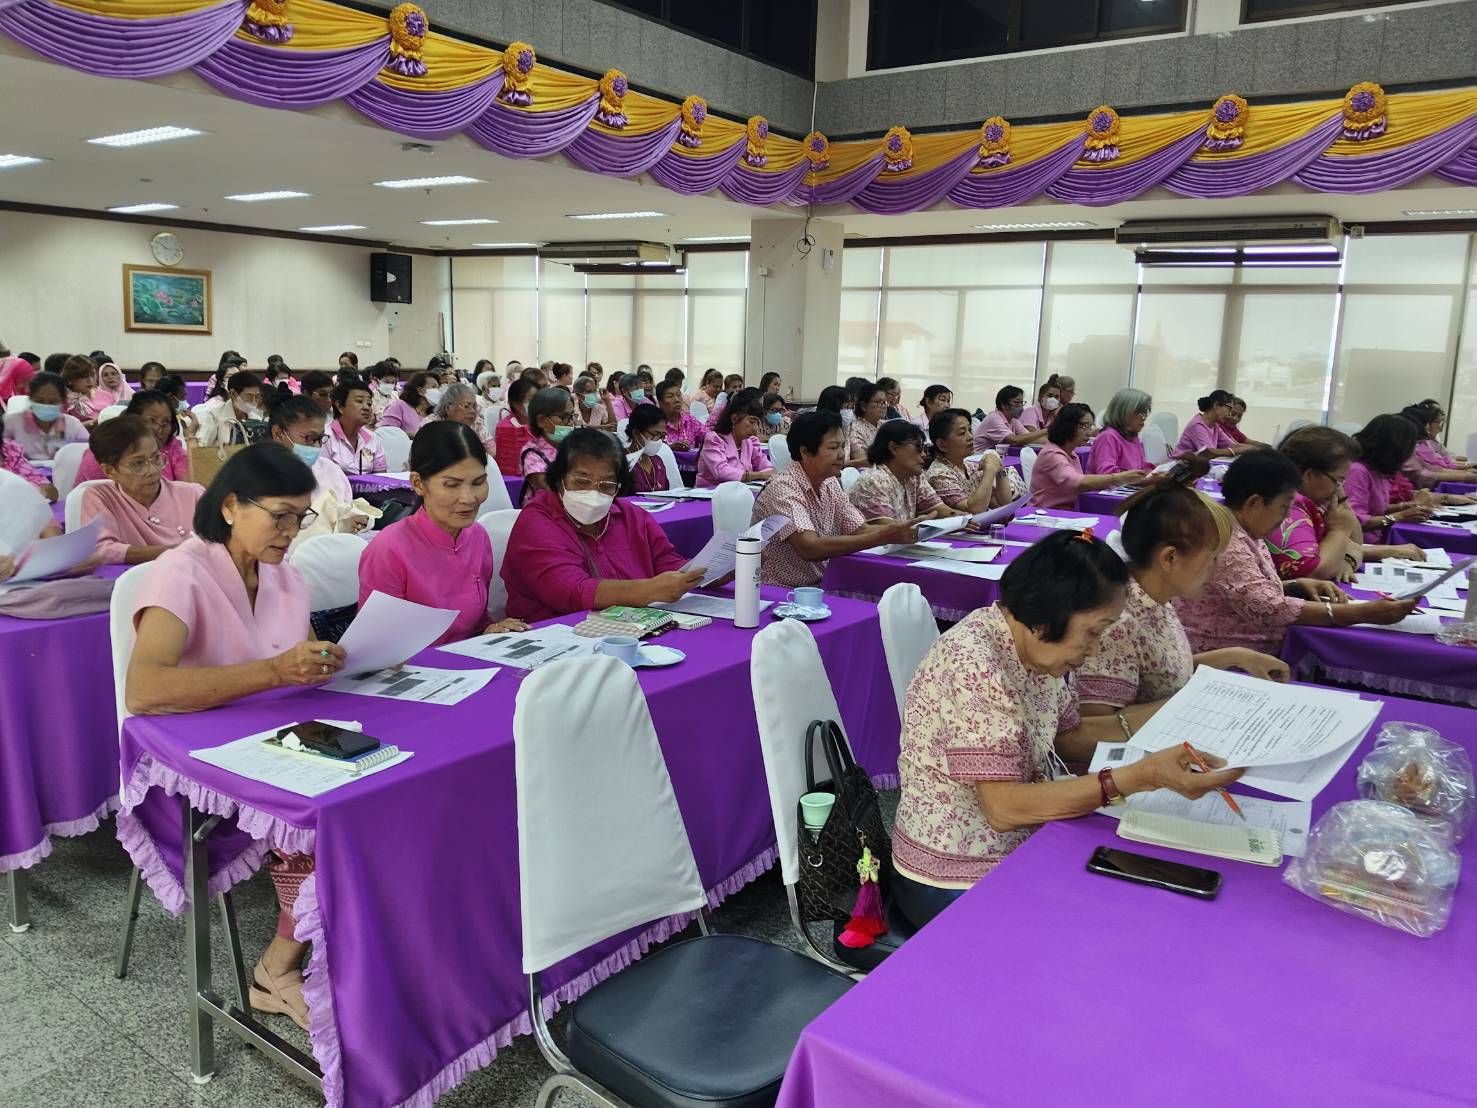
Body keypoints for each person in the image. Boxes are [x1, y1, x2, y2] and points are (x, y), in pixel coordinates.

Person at [890, 530, 1242, 927]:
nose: (1093, 651)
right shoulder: (975, 663)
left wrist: (1183, 719)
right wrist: (1138, 777)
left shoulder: (1037, 651)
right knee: (1111, 922)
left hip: (1023, 843)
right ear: (1045, 618)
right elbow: (1003, 809)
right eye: (1092, 632)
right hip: (957, 875)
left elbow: (1068, 739)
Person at [124, 444, 347, 1031]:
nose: (291, 531)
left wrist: (318, 665)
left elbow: (288, 677)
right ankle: (277, 970)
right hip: (193, 755)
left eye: (301, 517)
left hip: (272, 735)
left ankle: (339, 936)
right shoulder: (182, 569)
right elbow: (144, 691)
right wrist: (275, 673)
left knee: (379, 781)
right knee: (330, 812)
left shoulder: (285, 579)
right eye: (279, 515)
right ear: (229, 507)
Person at [1173, 450, 1417, 655]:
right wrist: (1361, 613)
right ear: (1255, 503)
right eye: (1283, 507)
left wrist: (1294, 585)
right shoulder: (1228, 542)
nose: (1284, 518)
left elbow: (1240, 591)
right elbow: (1271, 609)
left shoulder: (1242, 528)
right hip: (1223, 656)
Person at [1076, 482, 1288, 716]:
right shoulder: (1118, 621)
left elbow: (1165, 672)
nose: (1216, 569)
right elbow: (1095, 726)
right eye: (1212, 557)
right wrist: (1186, 705)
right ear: (1169, 558)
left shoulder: (1156, 597)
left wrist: (1236, 656)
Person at [502, 429, 704, 620]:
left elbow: (667, 563)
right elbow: (572, 591)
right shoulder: (536, 523)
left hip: (632, 628)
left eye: (607, 485)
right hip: (555, 638)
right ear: (559, 478)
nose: (594, 493)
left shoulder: (631, 516)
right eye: (581, 482)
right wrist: (649, 590)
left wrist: (708, 571)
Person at [358, 422, 526, 645]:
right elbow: (376, 643)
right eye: (452, 485)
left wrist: (490, 629)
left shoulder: (477, 537)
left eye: (478, 482)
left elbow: (474, 621)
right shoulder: (388, 550)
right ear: (418, 483)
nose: (468, 498)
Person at [751, 410, 919, 588]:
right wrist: (882, 537)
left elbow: (860, 530)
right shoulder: (783, 488)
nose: (841, 455)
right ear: (806, 452)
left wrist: (902, 531)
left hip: (821, 586)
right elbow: (809, 547)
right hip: (778, 592)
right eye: (833, 448)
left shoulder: (829, 482)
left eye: (842, 447)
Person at [1270, 426, 1424, 582]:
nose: (1340, 488)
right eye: (1338, 480)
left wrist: (1346, 552)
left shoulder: (1312, 501)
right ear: (1309, 475)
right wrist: (1339, 531)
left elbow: (1355, 543)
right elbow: (1311, 574)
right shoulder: (1289, 506)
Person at [81, 416, 203, 564]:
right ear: (109, 471)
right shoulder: (100, 497)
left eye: (156, 458)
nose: (152, 470)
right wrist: (178, 551)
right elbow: (101, 550)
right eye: (138, 463)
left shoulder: (193, 494)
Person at [1030, 403, 1145, 509]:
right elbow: (1076, 482)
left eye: (1090, 426)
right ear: (1067, 425)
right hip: (1044, 514)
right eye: (1084, 426)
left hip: (1065, 512)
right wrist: (1117, 478)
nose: (1089, 432)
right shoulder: (1052, 454)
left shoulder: (1071, 453)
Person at [849, 419, 964, 522]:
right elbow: (886, 531)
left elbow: (940, 510)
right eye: (918, 448)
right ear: (894, 448)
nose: (924, 455)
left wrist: (965, 518)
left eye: (924, 449)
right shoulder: (873, 481)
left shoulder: (914, 476)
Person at [1345, 415, 1435, 542]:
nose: (1412, 452)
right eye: (1412, 445)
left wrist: (1408, 506)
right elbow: (1356, 520)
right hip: (1361, 544)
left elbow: (1375, 508)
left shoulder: (1378, 470)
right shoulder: (1357, 471)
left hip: (1377, 538)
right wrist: (1400, 516)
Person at [75, 389, 190, 485]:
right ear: (133, 419)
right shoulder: (105, 450)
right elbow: (90, 497)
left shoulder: (171, 447)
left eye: (166, 422)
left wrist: (191, 439)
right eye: (152, 420)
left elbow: (189, 488)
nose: (159, 428)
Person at [926, 408, 1021, 512]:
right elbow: (974, 510)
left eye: (970, 430)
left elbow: (1003, 505)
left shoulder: (970, 466)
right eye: (962, 433)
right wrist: (989, 470)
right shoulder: (938, 475)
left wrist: (1000, 469)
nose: (971, 437)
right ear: (942, 445)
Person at [697, 387, 773, 487]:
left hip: (739, 494)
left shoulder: (750, 441)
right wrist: (760, 475)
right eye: (751, 421)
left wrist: (767, 473)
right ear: (734, 418)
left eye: (757, 423)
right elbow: (721, 472)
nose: (755, 428)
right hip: (709, 496)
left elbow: (768, 468)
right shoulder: (714, 439)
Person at [4, 371, 88, 460]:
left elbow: (89, 452)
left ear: (63, 402)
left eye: (53, 402)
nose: (46, 405)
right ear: (30, 399)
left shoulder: (72, 424)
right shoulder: (12, 421)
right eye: (40, 400)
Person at [1399, 401, 1477, 487]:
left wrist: (1467, 472)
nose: (1441, 426)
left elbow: (1433, 467)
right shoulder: (1417, 446)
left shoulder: (1418, 444)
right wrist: (1466, 474)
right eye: (1438, 422)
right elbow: (1423, 475)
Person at [320, 377, 386, 476]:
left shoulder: (373, 438)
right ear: (340, 406)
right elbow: (323, 478)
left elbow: (381, 478)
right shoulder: (324, 437)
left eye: (369, 403)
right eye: (359, 401)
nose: (366, 408)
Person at [520, 386, 576, 495]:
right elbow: (553, 490)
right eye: (563, 417)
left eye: (571, 417)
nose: (569, 423)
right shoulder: (532, 454)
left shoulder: (572, 446)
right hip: (545, 509)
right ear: (541, 420)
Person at [1088, 388, 1154, 475]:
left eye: (1145, 413)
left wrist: (1153, 471)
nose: (1144, 418)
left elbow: (1139, 466)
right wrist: (1139, 477)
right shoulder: (1108, 437)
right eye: (1140, 412)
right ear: (1125, 412)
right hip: (1107, 488)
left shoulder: (1133, 437)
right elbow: (1106, 473)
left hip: (1128, 486)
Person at [195, 372, 264, 446]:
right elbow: (201, 448)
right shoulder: (213, 416)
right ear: (233, 394)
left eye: (257, 397)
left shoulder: (257, 418)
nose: (253, 401)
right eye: (248, 396)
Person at [973, 385, 1047, 452]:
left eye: (1022, 403)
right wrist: (1045, 431)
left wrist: (1054, 443)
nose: (1021, 406)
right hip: (977, 458)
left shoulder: (1013, 420)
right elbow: (1014, 440)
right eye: (1017, 402)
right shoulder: (994, 418)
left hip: (994, 457)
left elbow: (1029, 438)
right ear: (1003, 405)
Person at [1174, 390, 1243, 459]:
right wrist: (1237, 450)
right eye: (1229, 408)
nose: (1229, 414)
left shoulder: (1215, 426)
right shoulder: (1197, 425)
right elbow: (1208, 453)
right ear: (1216, 405)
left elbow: (1233, 445)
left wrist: (1252, 450)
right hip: (1180, 466)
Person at [494, 377, 537, 476]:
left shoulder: (544, 421)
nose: (536, 403)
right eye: (530, 399)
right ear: (515, 403)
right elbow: (512, 470)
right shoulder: (506, 429)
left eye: (537, 398)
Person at [626, 404, 673, 493]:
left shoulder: (657, 461)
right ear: (636, 433)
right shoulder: (622, 461)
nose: (658, 440)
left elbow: (667, 493)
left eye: (662, 435)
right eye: (655, 434)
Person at [847, 381, 891, 465]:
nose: (884, 406)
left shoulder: (886, 425)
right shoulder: (854, 429)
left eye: (885, 402)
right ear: (864, 405)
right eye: (879, 402)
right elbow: (862, 460)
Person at [655, 379, 705, 449]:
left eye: (679, 395)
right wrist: (670, 448)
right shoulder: (655, 424)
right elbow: (649, 450)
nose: (677, 400)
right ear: (660, 402)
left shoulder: (690, 420)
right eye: (670, 396)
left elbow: (708, 436)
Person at [60, 355, 100, 425]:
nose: (90, 380)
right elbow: (61, 429)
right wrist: (91, 424)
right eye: (84, 376)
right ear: (70, 378)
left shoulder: (106, 395)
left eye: (93, 375)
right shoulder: (62, 400)